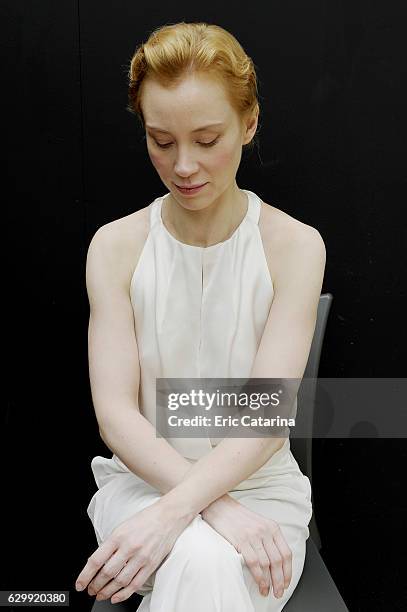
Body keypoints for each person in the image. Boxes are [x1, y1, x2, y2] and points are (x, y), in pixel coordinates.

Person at [75, 21, 326, 611]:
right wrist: (199, 507)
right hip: (139, 489)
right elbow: (115, 415)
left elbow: (265, 416)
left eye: (207, 139)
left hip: (262, 494)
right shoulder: (114, 246)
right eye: (161, 141)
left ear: (249, 122)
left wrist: (187, 511)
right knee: (203, 554)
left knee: (197, 557)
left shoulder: (295, 246)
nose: (183, 165)